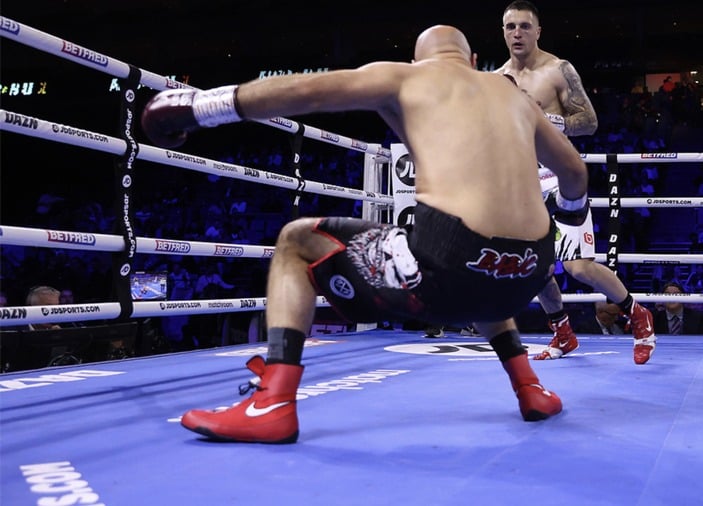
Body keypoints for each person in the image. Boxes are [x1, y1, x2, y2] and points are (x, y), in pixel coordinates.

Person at [141, 24, 589, 443]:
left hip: (452, 266)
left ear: (418, 63)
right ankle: (529, 387)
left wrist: (198, 108)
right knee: (482, 262)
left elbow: (303, 91)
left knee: (297, 241)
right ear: (472, 60)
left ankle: (272, 404)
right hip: (528, 274)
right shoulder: (513, 95)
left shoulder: (407, 78)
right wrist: (568, 213)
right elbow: (574, 172)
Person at [495, 0, 655, 364]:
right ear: (503, 32)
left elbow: (590, 121)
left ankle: (636, 313)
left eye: (524, 26)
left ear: (538, 31)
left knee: (577, 267)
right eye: (510, 27)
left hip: (561, 179)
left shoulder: (557, 70)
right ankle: (562, 333)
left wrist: (546, 118)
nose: (517, 33)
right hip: (522, 186)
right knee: (533, 269)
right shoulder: (497, 79)